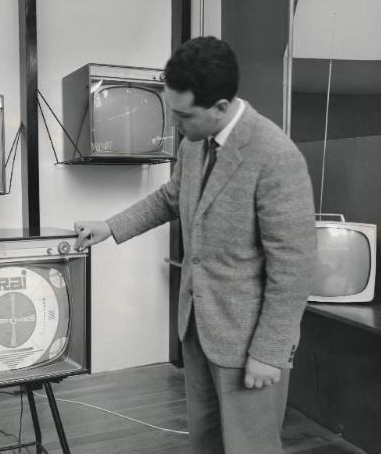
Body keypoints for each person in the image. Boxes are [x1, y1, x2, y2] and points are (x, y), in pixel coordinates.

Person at [74, 36, 317, 454]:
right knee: (207, 442)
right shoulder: (193, 145)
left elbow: (293, 268)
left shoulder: (276, 156)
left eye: (183, 114)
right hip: (198, 328)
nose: (175, 124)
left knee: (250, 447)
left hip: (247, 340)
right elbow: (170, 198)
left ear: (221, 107)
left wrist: (269, 352)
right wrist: (110, 226)